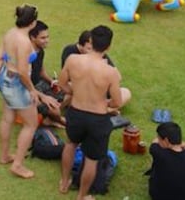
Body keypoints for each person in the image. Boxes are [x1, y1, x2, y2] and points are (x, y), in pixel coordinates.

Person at [59, 25, 123, 197]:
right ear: (108, 47)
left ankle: (64, 182)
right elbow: (117, 102)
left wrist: (75, 92)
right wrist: (104, 101)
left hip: (76, 112)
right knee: (92, 159)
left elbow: (62, 84)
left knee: (70, 144)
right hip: (98, 118)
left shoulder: (72, 59)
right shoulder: (111, 72)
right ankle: (82, 196)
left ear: (91, 41)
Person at [0, 4, 41, 179]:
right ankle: (17, 165)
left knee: (7, 118)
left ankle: (4, 156)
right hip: (17, 83)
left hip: (4, 77)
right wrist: (32, 90)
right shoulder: (24, 42)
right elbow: (24, 73)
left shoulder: (10, 33)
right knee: (31, 124)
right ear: (33, 23)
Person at [59, 30, 132, 107]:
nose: (92, 52)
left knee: (126, 92)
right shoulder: (71, 54)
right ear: (80, 45)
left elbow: (118, 76)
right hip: (80, 88)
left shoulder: (98, 53)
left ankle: (104, 108)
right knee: (70, 94)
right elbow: (65, 81)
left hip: (99, 90)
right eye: (89, 48)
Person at [146, 122, 185, 200]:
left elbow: (154, 142)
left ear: (166, 140)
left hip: (159, 197)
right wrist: (183, 144)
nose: (158, 140)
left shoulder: (157, 152)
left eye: (159, 138)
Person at [28, 21, 65, 127]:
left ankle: (49, 117)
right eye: (43, 38)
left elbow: (41, 71)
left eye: (47, 37)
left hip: (39, 85)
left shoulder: (40, 51)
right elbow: (24, 85)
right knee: (56, 112)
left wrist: (52, 81)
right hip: (29, 90)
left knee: (68, 90)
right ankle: (56, 119)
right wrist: (43, 97)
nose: (47, 41)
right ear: (32, 38)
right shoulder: (26, 55)